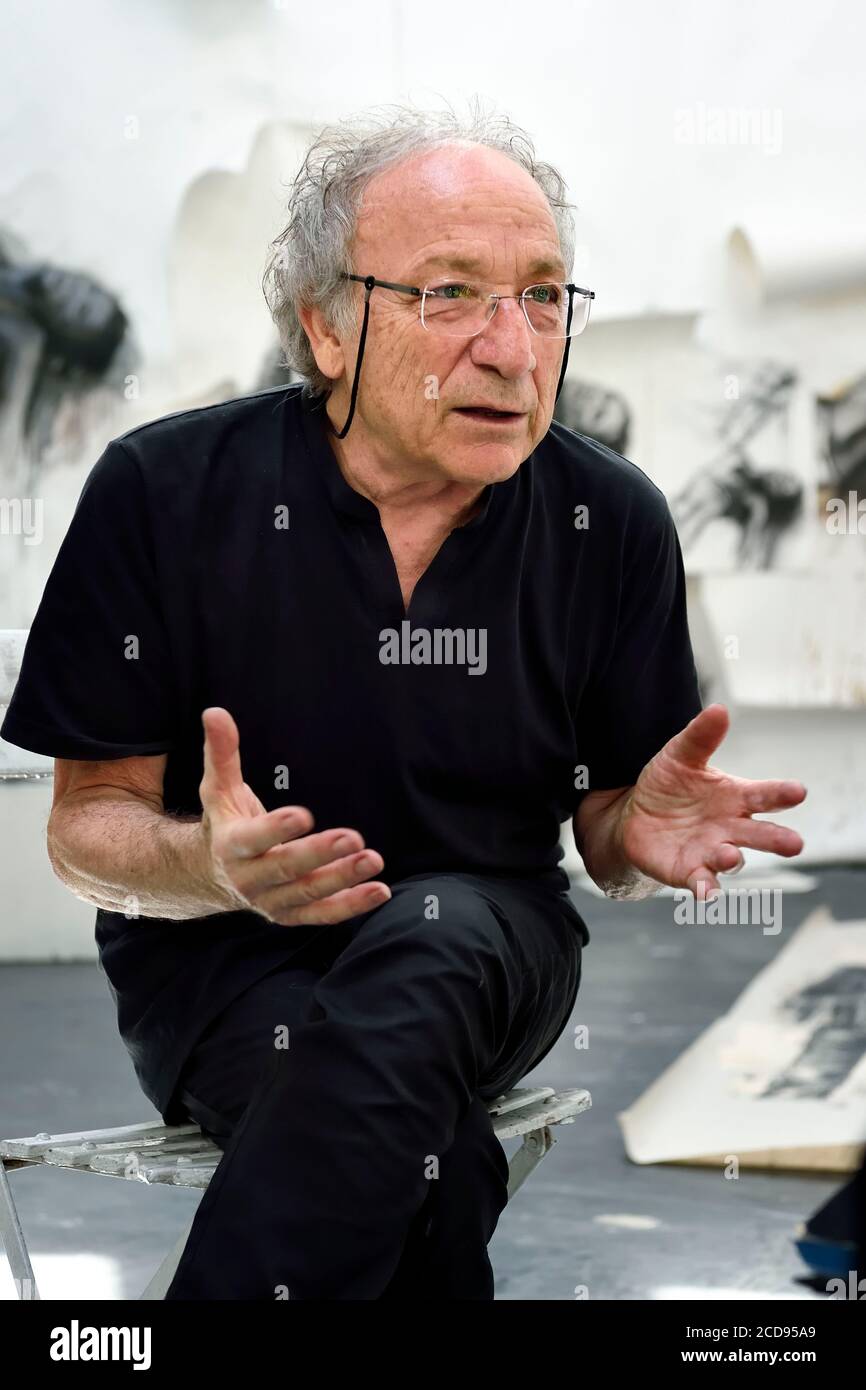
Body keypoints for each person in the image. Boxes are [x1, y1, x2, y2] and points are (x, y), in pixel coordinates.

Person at [0, 105, 807, 1300]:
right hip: (221, 966)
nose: (512, 347)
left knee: (434, 936)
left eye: (542, 296)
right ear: (327, 325)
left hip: (491, 939)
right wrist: (211, 866)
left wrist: (629, 833)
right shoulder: (163, 492)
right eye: (448, 293)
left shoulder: (608, 520)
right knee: (417, 1164)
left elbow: (603, 838)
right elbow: (86, 829)